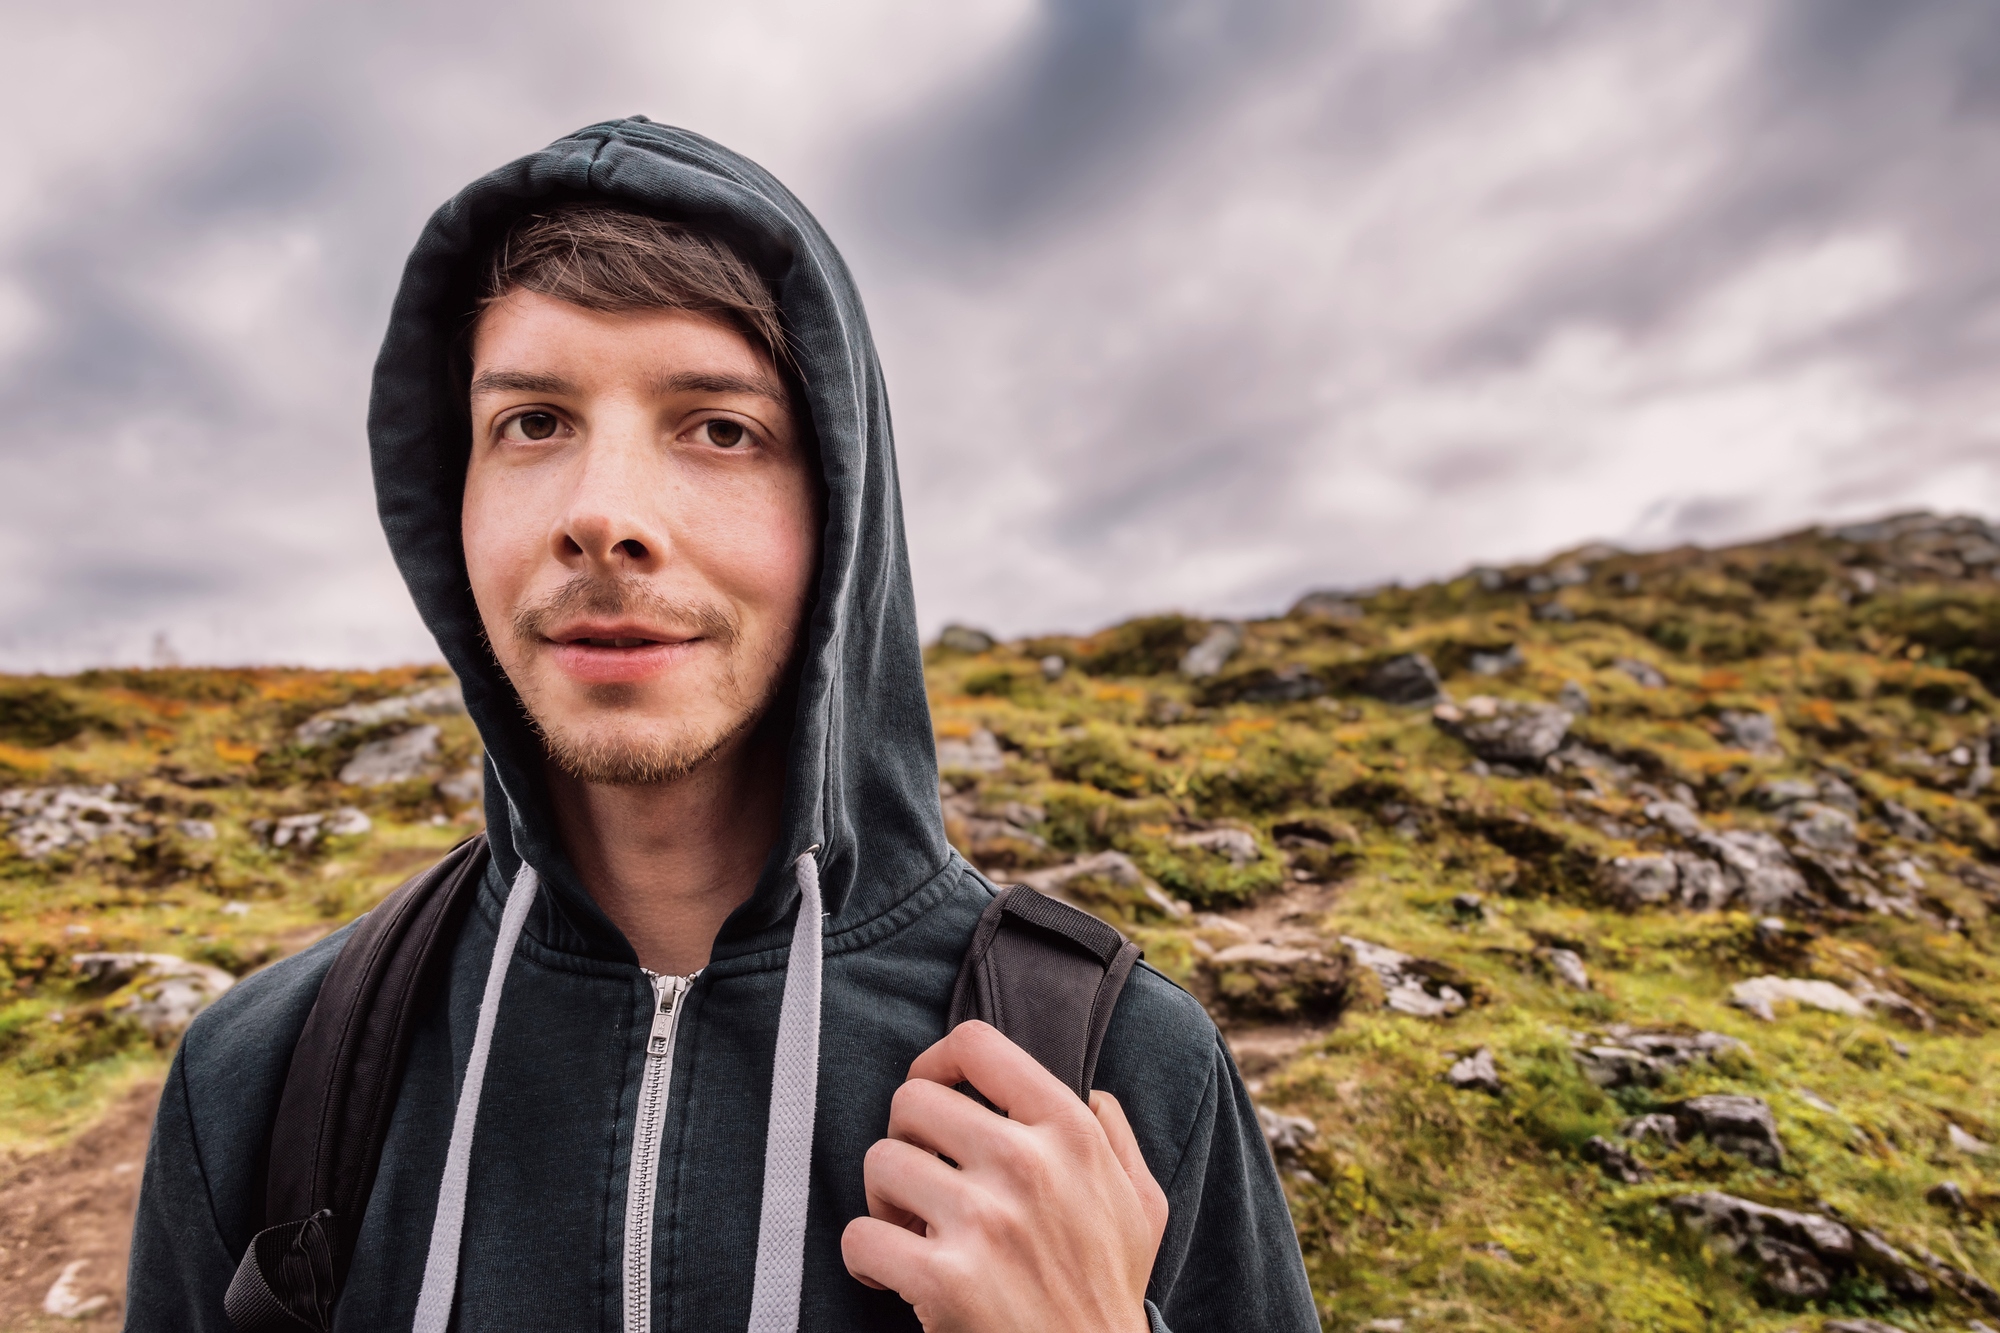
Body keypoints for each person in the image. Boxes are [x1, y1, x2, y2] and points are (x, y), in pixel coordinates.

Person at [124, 118, 1318, 1333]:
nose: (602, 516)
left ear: (840, 509)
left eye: (718, 427)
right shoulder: (263, 1083)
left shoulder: (1113, 1069)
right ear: (452, 497)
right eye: (533, 421)